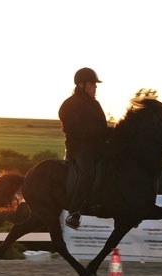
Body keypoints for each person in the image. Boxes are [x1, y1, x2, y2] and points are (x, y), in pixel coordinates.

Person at [59, 67, 110, 229]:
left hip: (97, 147)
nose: (95, 87)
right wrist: (97, 134)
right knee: (87, 172)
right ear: (81, 85)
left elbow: (103, 127)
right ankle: (73, 213)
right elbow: (75, 130)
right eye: (92, 84)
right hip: (79, 149)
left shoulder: (95, 104)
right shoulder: (68, 105)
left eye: (95, 85)